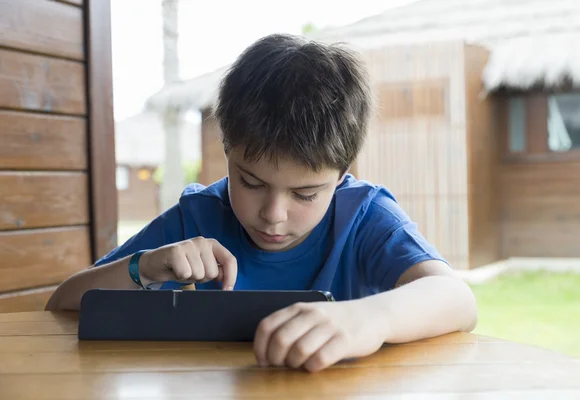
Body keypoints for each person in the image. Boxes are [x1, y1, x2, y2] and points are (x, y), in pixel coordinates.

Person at [46, 33, 478, 372]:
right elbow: (64, 301)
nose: (273, 214)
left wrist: (369, 319)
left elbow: (457, 299)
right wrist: (148, 266)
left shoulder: (364, 218)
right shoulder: (197, 218)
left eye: (305, 194)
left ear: (344, 174)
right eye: (250, 182)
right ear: (227, 152)